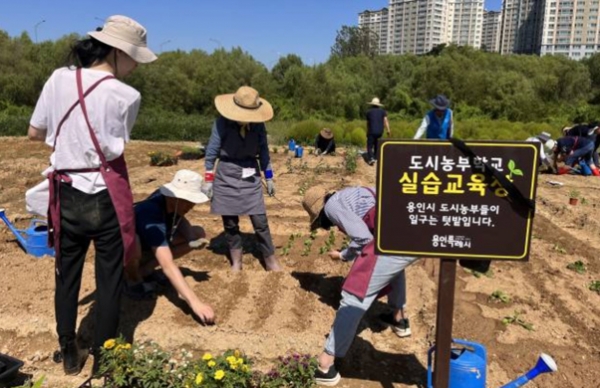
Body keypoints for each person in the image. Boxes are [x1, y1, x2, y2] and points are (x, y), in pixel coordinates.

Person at [27, 15, 156, 375]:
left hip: (66, 194)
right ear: (117, 52)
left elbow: (34, 133)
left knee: (66, 275)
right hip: (105, 198)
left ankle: (69, 352)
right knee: (109, 279)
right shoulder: (128, 95)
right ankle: (104, 360)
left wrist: (67, 143)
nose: (134, 66)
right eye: (133, 58)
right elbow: (113, 149)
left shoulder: (58, 79)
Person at [302, 186, 417, 386]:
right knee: (394, 268)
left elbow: (364, 238)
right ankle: (399, 319)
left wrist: (344, 255)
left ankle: (325, 366)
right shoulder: (351, 193)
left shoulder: (331, 207)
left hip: (390, 235)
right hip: (409, 231)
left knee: (353, 295)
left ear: (320, 213)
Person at [202, 86, 283, 271]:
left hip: (250, 173)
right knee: (230, 222)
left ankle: (270, 260)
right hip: (226, 173)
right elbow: (211, 153)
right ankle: (236, 261)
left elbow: (264, 153)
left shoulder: (258, 126)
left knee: (260, 221)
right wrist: (208, 180)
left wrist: (269, 178)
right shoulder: (221, 124)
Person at [124, 170, 215, 324]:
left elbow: (179, 218)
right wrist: (195, 303)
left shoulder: (171, 201)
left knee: (198, 233)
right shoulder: (151, 212)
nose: (192, 206)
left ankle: (146, 269)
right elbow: (167, 264)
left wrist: (191, 239)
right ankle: (133, 279)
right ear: (176, 197)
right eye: (189, 201)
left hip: (151, 243)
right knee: (133, 243)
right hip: (129, 249)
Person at [365, 97, 391, 165]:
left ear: (372, 104)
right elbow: (385, 121)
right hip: (380, 131)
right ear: (378, 105)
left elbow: (368, 123)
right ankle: (376, 157)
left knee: (369, 145)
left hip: (371, 131)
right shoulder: (383, 112)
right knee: (377, 144)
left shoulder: (368, 112)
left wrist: (367, 131)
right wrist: (388, 130)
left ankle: (371, 158)